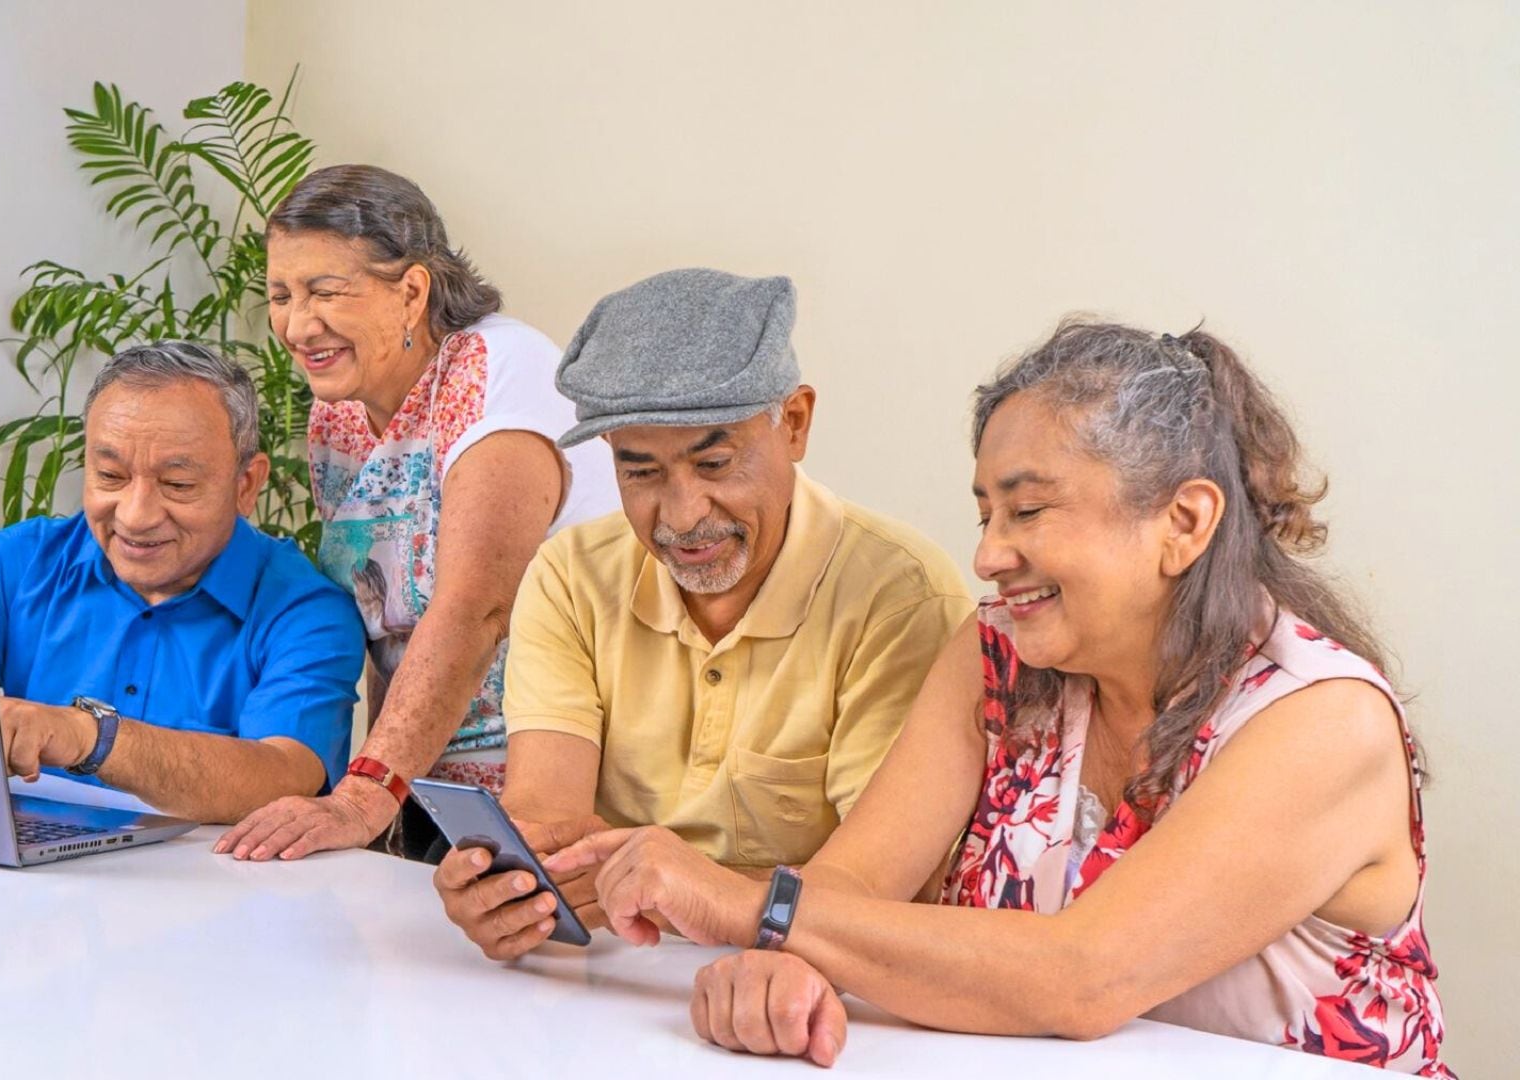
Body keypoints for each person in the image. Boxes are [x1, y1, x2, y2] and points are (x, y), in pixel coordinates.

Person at [546, 321, 1450, 1074]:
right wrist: (786, 967)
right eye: (986, 513)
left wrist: (754, 910)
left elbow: (1084, 977)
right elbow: (856, 881)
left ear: (1183, 522)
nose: (986, 555)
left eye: (1028, 511)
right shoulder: (996, 657)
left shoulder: (1322, 721)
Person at [433, 268, 973, 960]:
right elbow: (547, 823)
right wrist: (509, 889)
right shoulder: (571, 575)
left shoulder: (901, 596)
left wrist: (693, 892)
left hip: (809, 989)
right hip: (616, 976)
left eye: (714, 463)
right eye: (642, 473)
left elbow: (890, 889)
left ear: (795, 423)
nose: (683, 516)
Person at [213, 165, 619, 862]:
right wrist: (385, 813)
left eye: (325, 292)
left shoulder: (497, 369)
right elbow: (386, 626)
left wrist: (362, 798)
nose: (296, 325)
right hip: (429, 789)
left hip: (558, 794)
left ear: (411, 292)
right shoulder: (337, 415)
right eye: (280, 295)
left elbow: (474, 610)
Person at [0, 342, 364, 823]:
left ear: (246, 485)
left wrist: (89, 737)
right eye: (110, 476)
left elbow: (285, 775)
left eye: (177, 485)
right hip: (23, 861)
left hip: (211, 871)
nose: (135, 517)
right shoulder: (14, 565)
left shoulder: (305, 611)